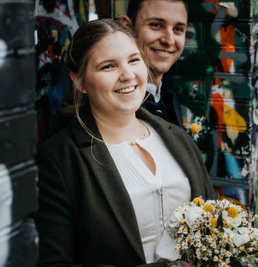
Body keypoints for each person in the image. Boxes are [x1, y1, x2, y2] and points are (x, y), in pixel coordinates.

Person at [35, 19, 216, 267]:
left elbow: (213, 223)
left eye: (133, 60)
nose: (128, 75)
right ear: (79, 81)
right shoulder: (59, 158)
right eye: (109, 66)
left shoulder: (176, 137)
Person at [121, 0, 187, 128]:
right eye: (156, 25)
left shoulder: (169, 97)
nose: (169, 41)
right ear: (128, 28)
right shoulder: (114, 107)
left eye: (178, 29)